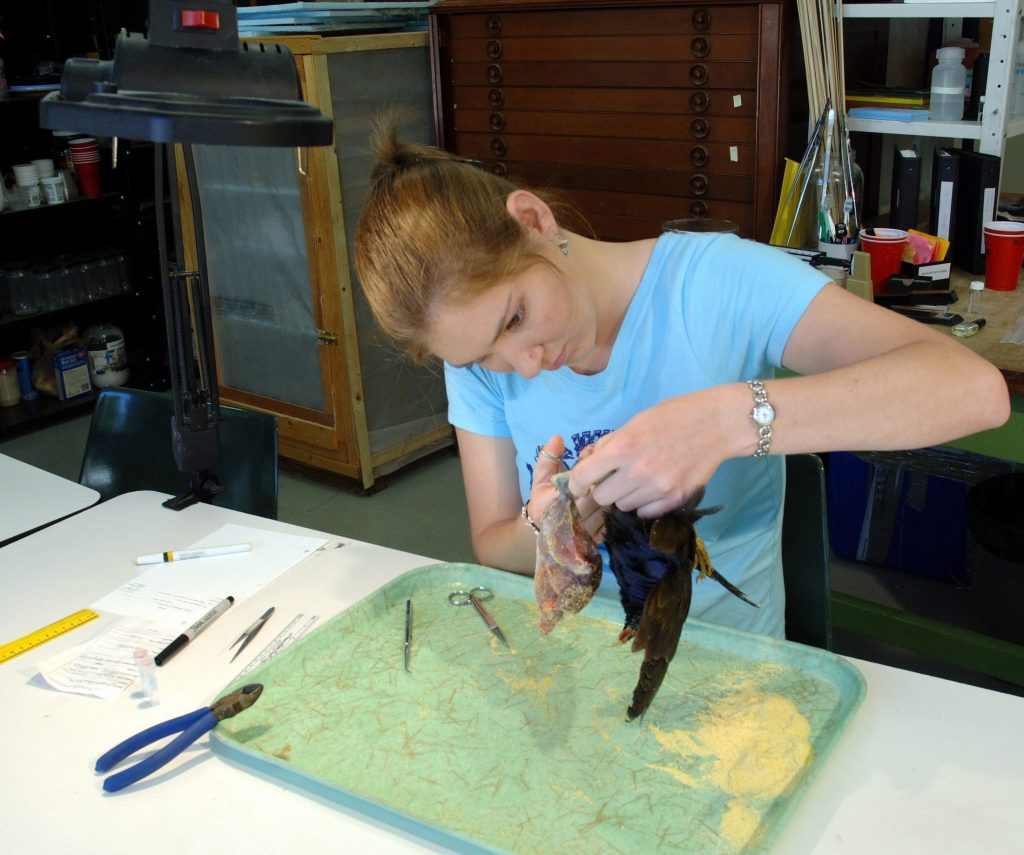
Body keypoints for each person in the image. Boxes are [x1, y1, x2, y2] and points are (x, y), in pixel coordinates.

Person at [354, 126, 1010, 638]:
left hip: (729, 677)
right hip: (580, 672)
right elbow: (492, 539)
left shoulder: (710, 285)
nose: (523, 365)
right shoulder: (477, 356)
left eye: (517, 317)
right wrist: (555, 530)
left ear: (534, 221)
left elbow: (970, 387)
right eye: (484, 357)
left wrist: (730, 419)